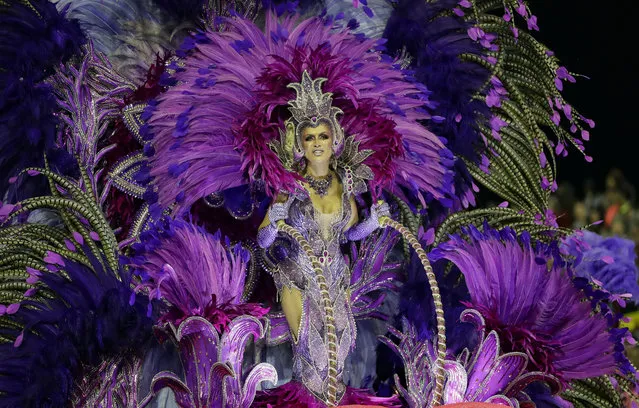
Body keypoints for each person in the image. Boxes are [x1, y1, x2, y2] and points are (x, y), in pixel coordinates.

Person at [255, 71, 394, 407]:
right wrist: (274, 223)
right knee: (312, 355)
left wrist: (373, 223)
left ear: (335, 140)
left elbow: (350, 234)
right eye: (309, 137)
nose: (316, 143)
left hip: (335, 281)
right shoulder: (288, 185)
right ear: (301, 145)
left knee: (338, 354)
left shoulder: (345, 182)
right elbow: (262, 240)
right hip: (297, 279)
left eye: (322, 135)